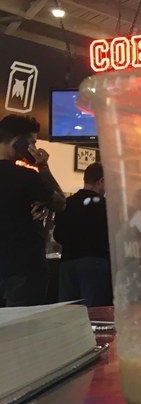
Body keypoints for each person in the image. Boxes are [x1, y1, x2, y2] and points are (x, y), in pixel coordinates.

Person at [0, 114, 66, 306]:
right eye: (32, 143)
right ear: (17, 142)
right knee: (24, 323)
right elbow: (61, 203)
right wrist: (43, 166)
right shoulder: (26, 177)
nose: (35, 149)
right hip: (23, 266)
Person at [54, 163, 113, 307]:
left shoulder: (66, 203)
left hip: (67, 264)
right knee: (93, 312)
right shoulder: (105, 206)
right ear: (101, 181)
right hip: (95, 263)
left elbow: (57, 235)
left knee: (68, 312)